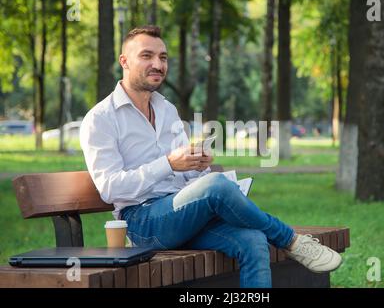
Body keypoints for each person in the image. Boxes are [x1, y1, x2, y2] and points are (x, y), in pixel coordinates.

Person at [80, 26, 342, 288]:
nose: (158, 64)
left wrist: (197, 166)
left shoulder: (166, 109)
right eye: (147, 56)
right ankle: (291, 241)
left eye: (163, 57)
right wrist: (169, 164)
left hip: (183, 216)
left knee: (253, 240)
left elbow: (186, 174)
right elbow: (109, 188)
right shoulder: (101, 118)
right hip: (142, 223)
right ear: (124, 61)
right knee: (216, 186)